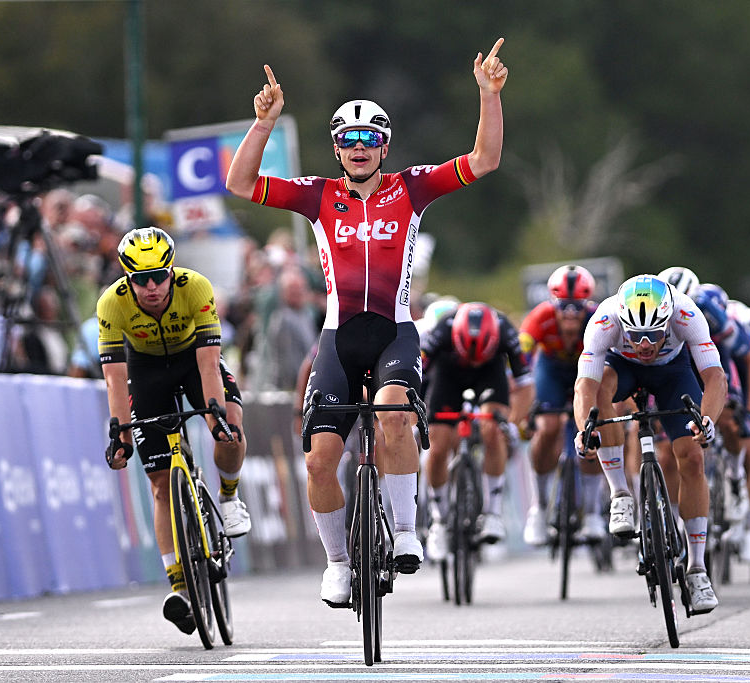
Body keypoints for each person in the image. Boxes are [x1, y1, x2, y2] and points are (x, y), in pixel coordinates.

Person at [224, 39, 508, 607]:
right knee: (320, 458)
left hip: (394, 331)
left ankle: (405, 531)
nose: (358, 148)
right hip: (338, 336)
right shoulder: (318, 195)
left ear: (384, 146)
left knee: (394, 415)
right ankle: (336, 563)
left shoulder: (412, 188)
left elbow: (484, 160)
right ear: (336, 148)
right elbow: (240, 185)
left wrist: (489, 96)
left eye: (369, 139)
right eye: (348, 140)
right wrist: (262, 125)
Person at [98, 226, 251, 634]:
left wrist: (215, 415)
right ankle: (180, 589)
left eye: (158, 277)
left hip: (192, 359)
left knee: (230, 427)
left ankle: (229, 495)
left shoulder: (195, 287)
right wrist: (121, 435)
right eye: (140, 280)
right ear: (127, 279)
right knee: (161, 484)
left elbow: (208, 362)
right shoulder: (111, 304)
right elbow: (115, 379)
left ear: (171, 270)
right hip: (145, 372)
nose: (150, 287)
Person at [574, 274, 726, 614]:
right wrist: (586, 429)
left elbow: (715, 377)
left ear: (669, 321)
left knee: (691, 457)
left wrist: (708, 421)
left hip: (673, 372)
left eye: (654, 335)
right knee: (602, 396)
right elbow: (584, 387)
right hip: (621, 368)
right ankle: (620, 495)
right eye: (636, 335)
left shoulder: (686, 314)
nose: (644, 345)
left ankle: (698, 570)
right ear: (622, 322)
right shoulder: (604, 319)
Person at [422, 301, 533, 557]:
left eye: (477, 354)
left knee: (492, 429)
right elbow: (416, 376)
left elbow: (525, 386)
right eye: (468, 354)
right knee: (437, 447)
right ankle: (439, 520)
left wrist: (513, 423)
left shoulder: (506, 331)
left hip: (490, 374)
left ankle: (492, 513)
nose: (472, 360)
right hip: (447, 375)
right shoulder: (441, 332)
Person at [519, 265, 608, 546]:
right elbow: (520, 361)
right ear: (552, 304)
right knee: (548, 427)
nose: (570, 316)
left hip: (588, 369)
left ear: (587, 305)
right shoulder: (539, 318)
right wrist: (522, 408)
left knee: (594, 432)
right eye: (564, 308)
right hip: (552, 371)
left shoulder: (598, 318)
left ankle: (593, 512)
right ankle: (539, 507)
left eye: (576, 308)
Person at [692, 283, 750, 564]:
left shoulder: (721, 321)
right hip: (684, 365)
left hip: (722, 363)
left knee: (731, 422)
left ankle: (736, 476)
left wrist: (749, 415)